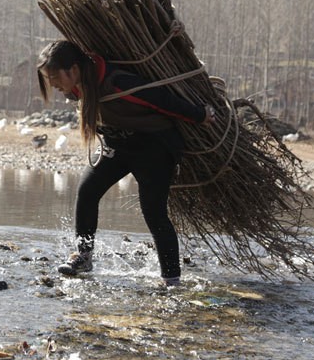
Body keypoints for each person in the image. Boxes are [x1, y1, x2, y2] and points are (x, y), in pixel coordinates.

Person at [36, 40, 215, 286]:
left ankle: (171, 280)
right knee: (87, 192)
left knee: (154, 212)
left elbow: (161, 100)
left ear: (74, 69)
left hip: (153, 147)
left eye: (55, 77)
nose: (53, 84)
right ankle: (84, 256)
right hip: (117, 146)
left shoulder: (118, 82)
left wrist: (200, 114)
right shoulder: (78, 86)